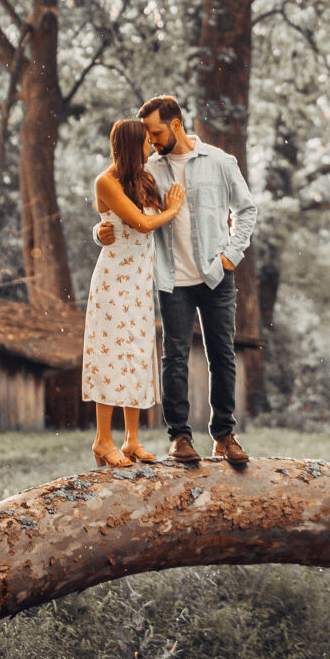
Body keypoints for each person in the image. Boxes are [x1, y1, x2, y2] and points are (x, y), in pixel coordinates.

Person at [96, 94, 257, 469]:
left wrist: (230, 257)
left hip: (216, 275)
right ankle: (180, 438)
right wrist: (98, 231)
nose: (150, 142)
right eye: (147, 137)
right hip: (171, 280)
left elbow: (246, 210)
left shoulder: (220, 162)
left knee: (222, 357)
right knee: (174, 360)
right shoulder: (148, 169)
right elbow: (116, 209)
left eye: (155, 133)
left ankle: (224, 436)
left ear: (176, 125)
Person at [84, 116, 187, 468]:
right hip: (114, 281)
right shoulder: (106, 181)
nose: (150, 146)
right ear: (130, 145)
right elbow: (141, 223)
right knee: (110, 355)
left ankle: (132, 440)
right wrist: (171, 210)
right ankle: (102, 440)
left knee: (136, 354)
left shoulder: (144, 178)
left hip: (140, 282)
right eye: (145, 141)